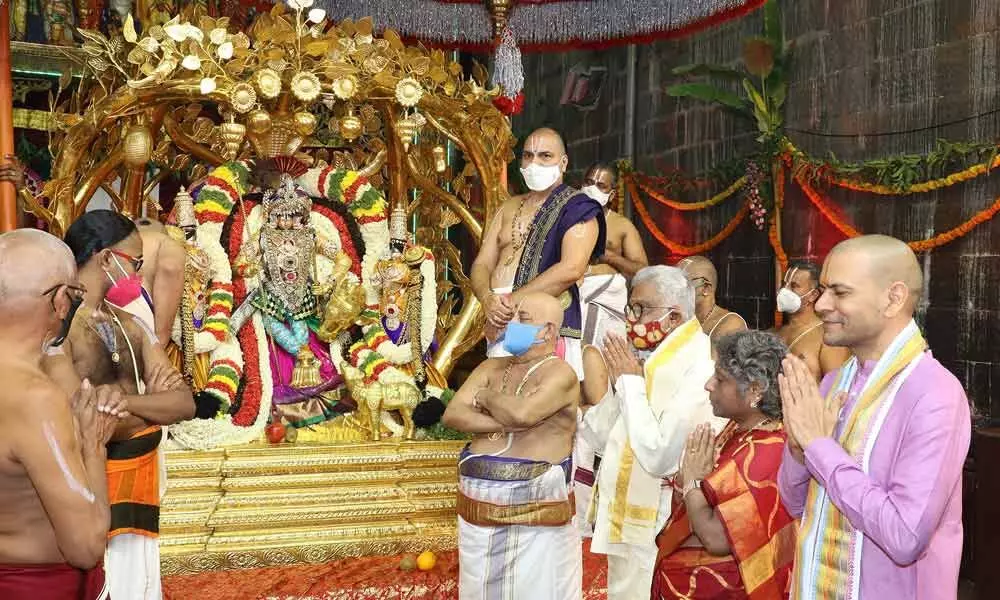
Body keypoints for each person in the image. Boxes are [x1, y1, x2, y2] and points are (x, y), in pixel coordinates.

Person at [778, 235, 970, 599]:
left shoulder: (934, 394)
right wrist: (800, 447)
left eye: (840, 292)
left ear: (892, 299)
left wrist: (819, 446)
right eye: (822, 291)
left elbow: (904, 537)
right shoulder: (836, 381)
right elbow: (795, 504)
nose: (821, 305)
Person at [43, 210, 196, 600]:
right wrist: (149, 404)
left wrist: (125, 401)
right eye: (136, 264)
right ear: (106, 259)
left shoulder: (132, 324)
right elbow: (84, 417)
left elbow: (183, 403)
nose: (138, 277)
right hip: (89, 490)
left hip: (140, 484)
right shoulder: (56, 331)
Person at [581, 265, 725, 599]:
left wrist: (631, 383)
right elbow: (599, 437)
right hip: (629, 522)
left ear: (674, 317)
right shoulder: (649, 361)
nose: (631, 318)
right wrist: (623, 384)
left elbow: (660, 457)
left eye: (640, 309)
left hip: (659, 522)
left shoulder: (700, 367)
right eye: (631, 308)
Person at [0, 229, 128, 599]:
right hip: (33, 587)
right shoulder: (33, 398)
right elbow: (85, 547)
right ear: (60, 301)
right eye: (74, 294)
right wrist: (93, 445)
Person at [442, 292, 581, 600]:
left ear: (547, 331)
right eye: (513, 316)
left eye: (523, 319)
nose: (512, 323)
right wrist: (506, 423)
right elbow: (454, 413)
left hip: (534, 523)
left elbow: (523, 413)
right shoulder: (491, 367)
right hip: (477, 516)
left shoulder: (561, 373)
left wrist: (486, 398)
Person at [652, 331, 795, 599]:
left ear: (754, 390)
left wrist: (693, 483)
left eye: (720, 379)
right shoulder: (738, 431)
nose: (708, 385)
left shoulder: (768, 453)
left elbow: (717, 539)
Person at [470, 127, 606, 380]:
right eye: (528, 156)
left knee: (533, 395)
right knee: (500, 388)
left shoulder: (578, 208)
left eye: (545, 156)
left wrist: (510, 306)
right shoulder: (508, 206)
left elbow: (571, 269)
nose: (534, 163)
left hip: (539, 318)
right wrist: (488, 299)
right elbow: (482, 264)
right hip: (498, 314)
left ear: (563, 162)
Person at [578, 162, 648, 346]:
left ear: (612, 194)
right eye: (589, 183)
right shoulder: (566, 219)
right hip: (571, 298)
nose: (593, 189)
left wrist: (607, 256)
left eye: (601, 186)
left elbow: (642, 270)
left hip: (606, 300)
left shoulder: (622, 226)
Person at [774, 261, 849, 380]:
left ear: (813, 295)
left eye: (794, 286)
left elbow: (835, 388)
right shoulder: (774, 333)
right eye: (784, 284)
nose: (785, 291)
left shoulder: (827, 337)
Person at [135, 217, 187, 347]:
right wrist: (160, 341)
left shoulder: (117, 241)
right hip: (139, 329)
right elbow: (170, 267)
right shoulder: (166, 242)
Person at [677, 255, 747, 341]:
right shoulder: (680, 320)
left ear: (706, 289)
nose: (675, 291)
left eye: (682, 285)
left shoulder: (730, 323)